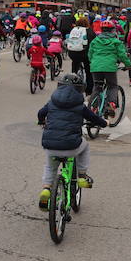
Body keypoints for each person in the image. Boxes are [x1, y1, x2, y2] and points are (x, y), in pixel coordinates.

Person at [36, 73, 107, 210]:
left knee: (50, 166)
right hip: (71, 145)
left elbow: (41, 113)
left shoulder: (52, 101)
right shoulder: (80, 105)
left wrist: (41, 121)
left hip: (50, 145)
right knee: (85, 146)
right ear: (80, 89)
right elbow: (94, 118)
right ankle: (81, 175)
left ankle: (46, 188)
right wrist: (104, 123)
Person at [88, 20, 131, 116]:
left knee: (97, 87)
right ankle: (111, 103)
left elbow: (90, 54)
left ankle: (92, 108)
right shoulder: (116, 41)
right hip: (109, 67)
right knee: (112, 86)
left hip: (95, 67)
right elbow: (122, 55)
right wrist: (128, 65)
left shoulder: (95, 41)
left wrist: (93, 62)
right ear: (113, 30)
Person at [65, 17, 95, 95]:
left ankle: (73, 85)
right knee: (89, 72)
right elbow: (94, 42)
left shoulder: (73, 30)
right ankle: (89, 91)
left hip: (72, 53)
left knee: (75, 66)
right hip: (85, 53)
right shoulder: (89, 31)